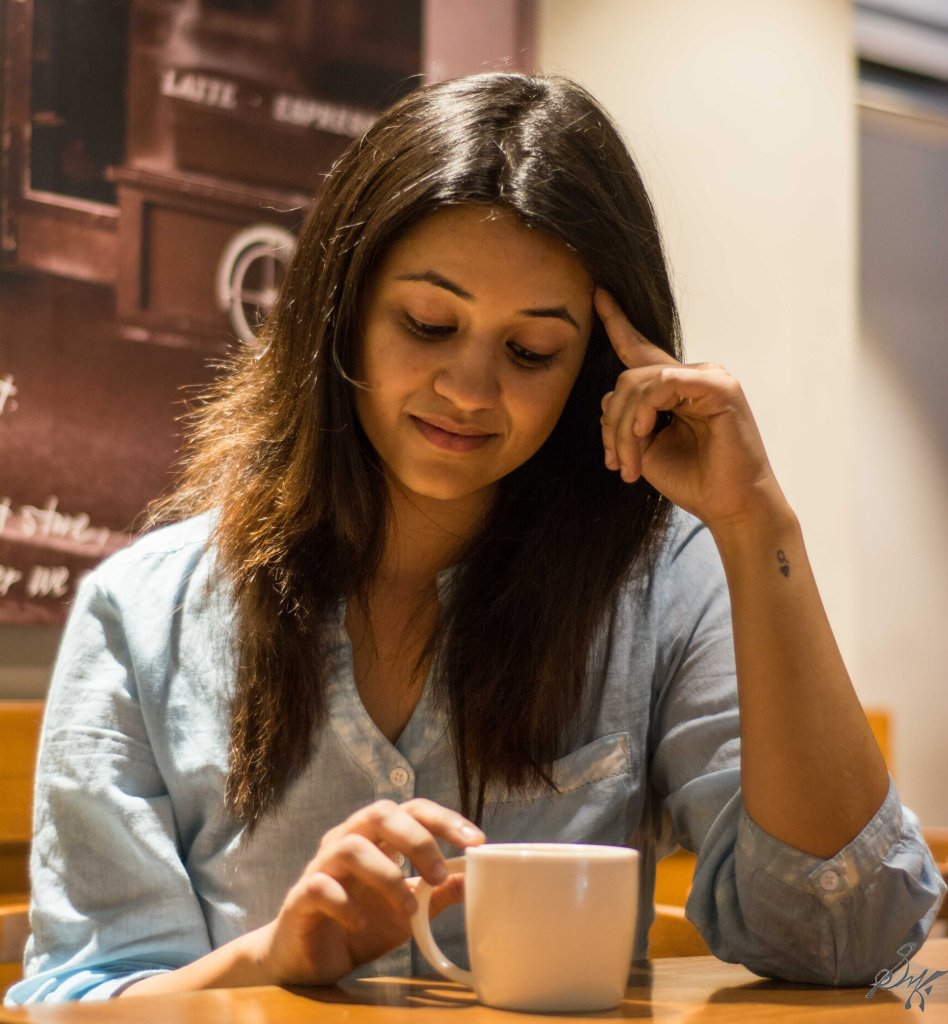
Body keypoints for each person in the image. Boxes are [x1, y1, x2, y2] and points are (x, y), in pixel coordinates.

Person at [6, 72, 944, 1006]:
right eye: (428, 323)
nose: (468, 389)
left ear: (594, 368)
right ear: (340, 311)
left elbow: (846, 932)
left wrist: (757, 524)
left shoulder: (658, 587)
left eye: (531, 352)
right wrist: (270, 962)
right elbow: (86, 998)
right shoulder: (145, 615)